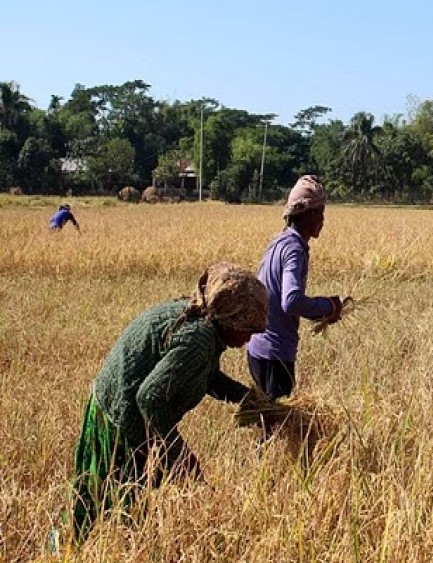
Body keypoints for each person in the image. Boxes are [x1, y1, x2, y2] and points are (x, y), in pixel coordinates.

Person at [70, 262, 268, 541]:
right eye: (247, 329)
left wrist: (248, 399)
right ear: (229, 318)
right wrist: (178, 454)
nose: (249, 338)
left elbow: (206, 376)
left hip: (119, 405)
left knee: (118, 499)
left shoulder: (205, 325)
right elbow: (149, 398)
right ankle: (66, 555)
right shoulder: (198, 340)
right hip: (119, 417)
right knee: (106, 501)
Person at [247, 175, 343, 400]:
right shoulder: (294, 250)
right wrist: (328, 306)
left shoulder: (278, 242)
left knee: (270, 424)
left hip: (257, 349)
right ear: (307, 213)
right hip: (275, 353)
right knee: (279, 427)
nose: (322, 219)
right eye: (319, 212)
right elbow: (290, 301)